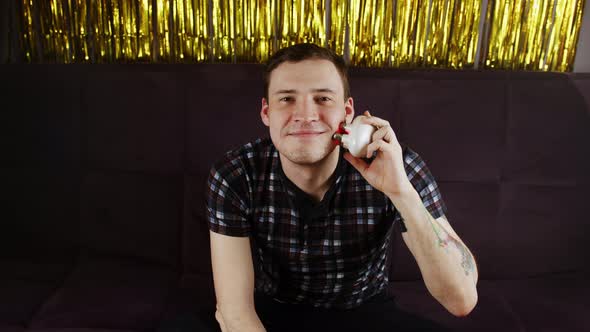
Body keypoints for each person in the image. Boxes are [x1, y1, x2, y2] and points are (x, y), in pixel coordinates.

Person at [204, 43, 478, 332]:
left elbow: (461, 300)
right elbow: (234, 313)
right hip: (275, 313)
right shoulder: (235, 174)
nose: (306, 115)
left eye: (323, 98)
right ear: (266, 113)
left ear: (348, 113)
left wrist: (402, 193)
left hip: (366, 312)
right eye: (286, 99)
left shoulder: (397, 166)